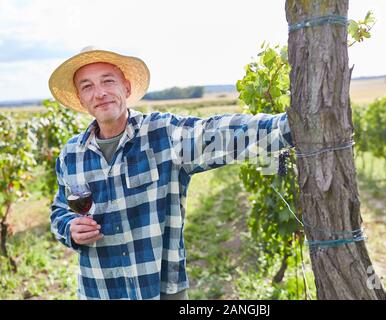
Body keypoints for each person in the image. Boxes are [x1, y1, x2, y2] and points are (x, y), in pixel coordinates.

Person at [49, 47, 293, 300]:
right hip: (98, 291)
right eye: (87, 86)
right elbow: (60, 211)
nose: (99, 93)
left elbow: (220, 134)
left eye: (108, 81)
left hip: (160, 291)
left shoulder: (163, 135)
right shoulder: (71, 154)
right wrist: (70, 228)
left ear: (127, 88)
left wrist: (288, 128)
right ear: (81, 98)